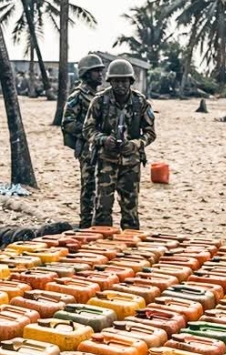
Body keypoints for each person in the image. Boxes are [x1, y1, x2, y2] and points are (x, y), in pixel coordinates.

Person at [83, 58, 156, 230]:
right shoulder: (100, 101)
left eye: (124, 81)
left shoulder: (140, 102)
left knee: (130, 211)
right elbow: (88, 129)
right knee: (102, 210)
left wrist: (135, 144)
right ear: (110, 81)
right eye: (116, 81)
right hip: (106, 162)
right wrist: (103, 139)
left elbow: (150, 133)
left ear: (131, 81)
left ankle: (130, 242)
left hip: (131, 163)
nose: (120, 85)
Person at [61, 53, 105, 228]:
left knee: (103, 187)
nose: (100, 74)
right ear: (86, 74)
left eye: (101, 71)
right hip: (88, 149)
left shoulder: (101, 95)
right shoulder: (77, 96)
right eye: (96, 71)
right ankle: (86, 223)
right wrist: (90, 132)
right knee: (89, 187)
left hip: (103, 147)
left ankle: (99, 222)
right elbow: (67, 123)